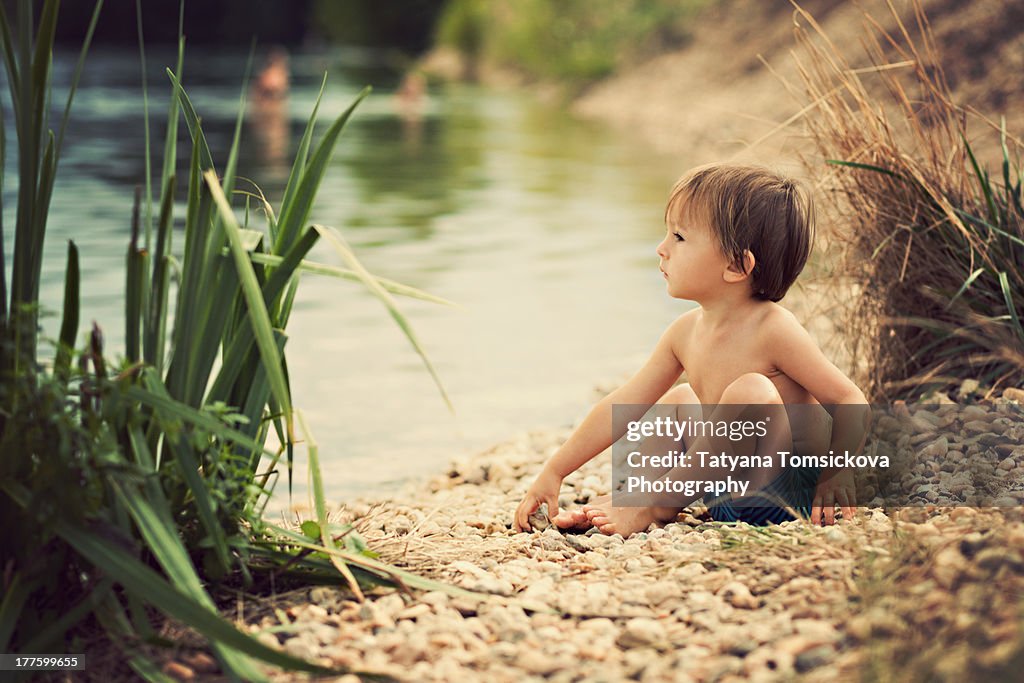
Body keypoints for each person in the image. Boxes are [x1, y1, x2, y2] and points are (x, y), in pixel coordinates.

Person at [513, 163, 870, 536]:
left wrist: (838, 473)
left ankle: (653, 504)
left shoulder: (774, 329)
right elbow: (624, 404)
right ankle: (643, 496)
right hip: (721, 494)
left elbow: (848, 397)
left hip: (783, 501)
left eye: (679, 237)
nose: (661, 248)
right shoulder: (684, 332)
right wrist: (555, 470)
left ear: (736, 265)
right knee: (679, 399)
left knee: (752, 392)